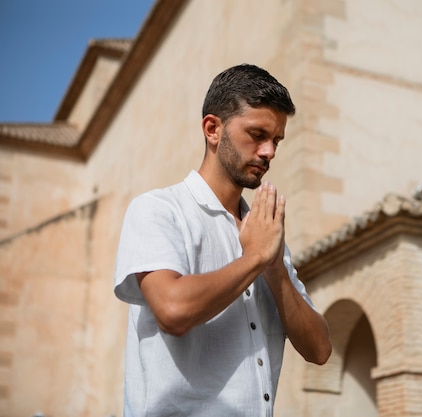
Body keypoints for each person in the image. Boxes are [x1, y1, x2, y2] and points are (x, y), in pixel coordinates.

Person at [114, 64, 332, 417]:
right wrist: (255, 259)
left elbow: (320, 349)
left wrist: (274, 268)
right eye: (257, 134)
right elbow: (173, 310)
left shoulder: (263, 234)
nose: (269, 152)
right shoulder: (158, 210)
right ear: (213, 129)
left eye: (276, 140)